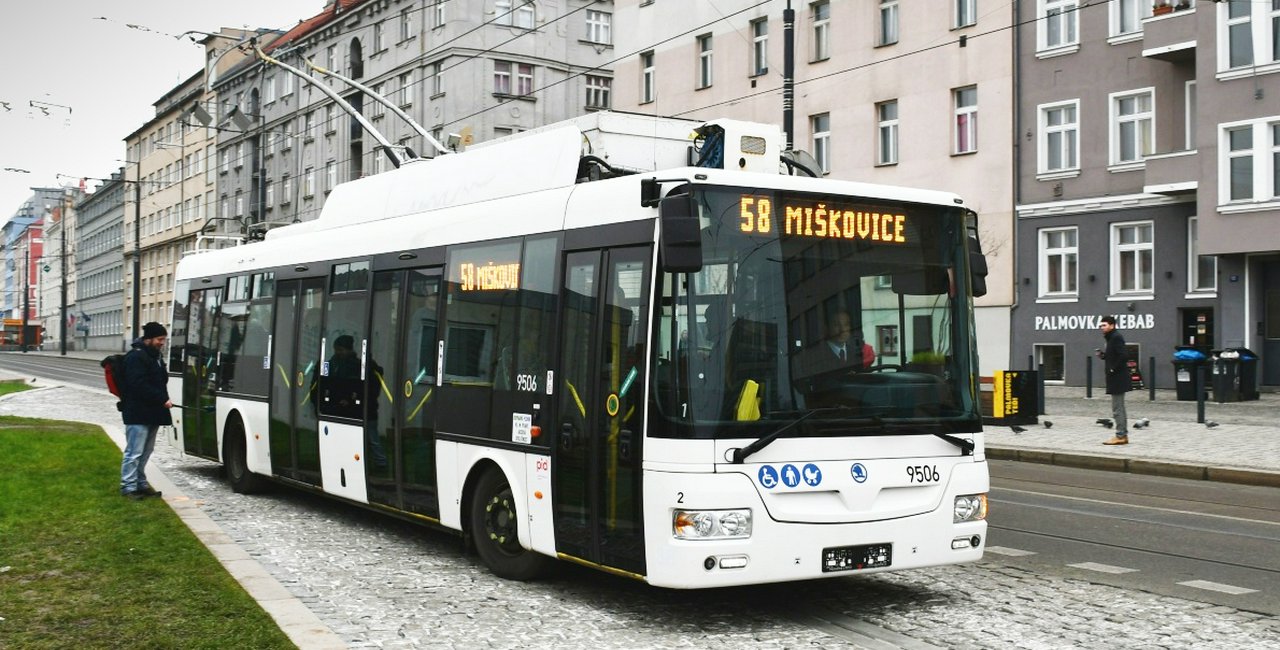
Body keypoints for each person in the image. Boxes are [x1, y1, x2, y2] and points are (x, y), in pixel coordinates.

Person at [120, 322, 174, 500]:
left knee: (145, 451)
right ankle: (128, 487)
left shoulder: (154, 356)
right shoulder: (136, 357)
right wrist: (161, 399)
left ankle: (140, 483)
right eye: (160, 339)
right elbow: (138, 384)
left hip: (152, 411)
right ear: (148, 339)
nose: (162, 343)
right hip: (138, 412)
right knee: (134, 452)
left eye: (164, 340)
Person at [1098, 315, 1131, 445]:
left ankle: (1121, 435)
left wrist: (1113, 368)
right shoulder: (1111, 338)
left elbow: (1124, 356)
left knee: (1117, 408)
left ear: (1112, 325)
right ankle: (1122, 434)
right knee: (1118, 407)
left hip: (1118, 378)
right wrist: (1104, 356)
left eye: (1104, 325)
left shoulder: (1116, 337)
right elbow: (1115, 355)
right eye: (1101, 325)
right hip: (1116, 377)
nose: (1102, 328)